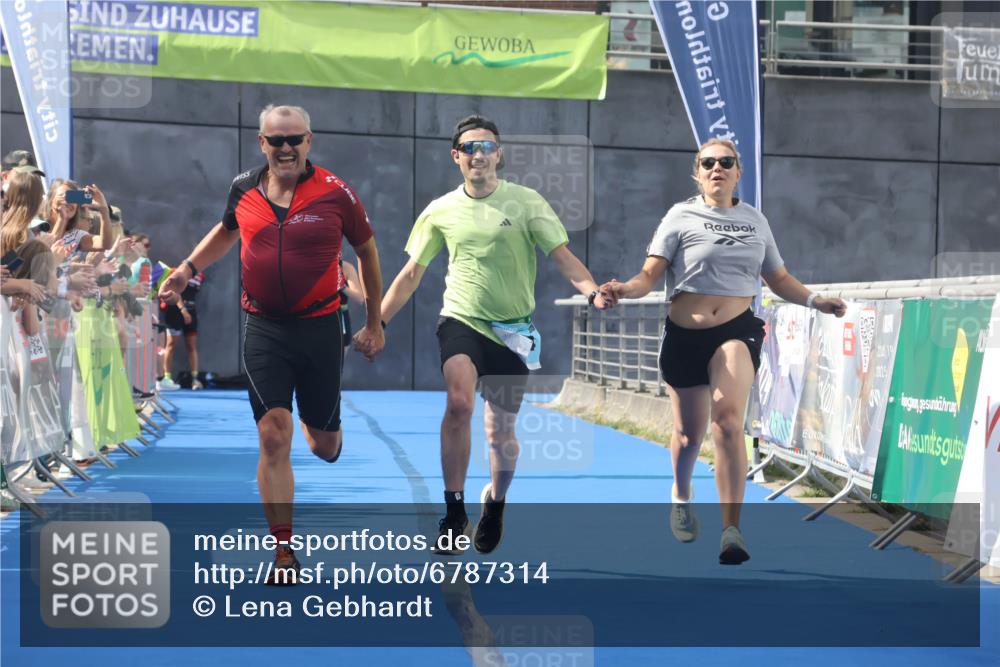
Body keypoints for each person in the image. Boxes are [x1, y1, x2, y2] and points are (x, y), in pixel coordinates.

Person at [158, 104, 385, 583]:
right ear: (262, 143)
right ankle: (284, 553)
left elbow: (366, 250)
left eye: (294, 139)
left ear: (309, 141)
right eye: (276, 140)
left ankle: (323, 423)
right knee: (271, 434)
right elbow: (224, 233)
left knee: (322, 445)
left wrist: (375, 322)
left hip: (321, 327)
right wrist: (185, 271)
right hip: (263, 328)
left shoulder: (336, 192)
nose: (286, 148)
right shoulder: (244, 188)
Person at [600, 138, 847, 565]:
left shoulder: (756, 221)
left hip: (737, 328)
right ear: (697, 172)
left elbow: (779, 279)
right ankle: (681, 491)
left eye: (726, 162)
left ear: (738, 172)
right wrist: (623, 289)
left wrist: (815, 301)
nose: (717, 168)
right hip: (684, 334)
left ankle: (732, 530)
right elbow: (648, 275)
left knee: (729, 420)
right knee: (687, 434)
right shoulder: (680, 216)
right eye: (708, 163)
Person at [380, 114, 612, 555]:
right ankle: (453, 512)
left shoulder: (525, 203)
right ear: (457, 157)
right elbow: (411, 274)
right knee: (459, 402)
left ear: (499, 154)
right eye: (470, 147)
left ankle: (496, 505)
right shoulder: (441, 210)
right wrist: (379, 323)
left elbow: (562, 256)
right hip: (462, 320)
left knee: (500, 436)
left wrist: (592, 291)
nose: (479, 154)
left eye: (487, 146)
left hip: (514, 331)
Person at [43, 179, 114, 255]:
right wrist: (61, 219)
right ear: (50, 202)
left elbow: (105, 244)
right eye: (62, 196)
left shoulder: (75, 236)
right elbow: (45, 253)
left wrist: (104, 210)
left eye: (72, 198)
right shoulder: (37, 228)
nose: (68, 202)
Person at [161, 269, 205, 389]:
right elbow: (174, 292)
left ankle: (195, 379)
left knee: (191, 346)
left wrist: (187, 312)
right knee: (170, 345)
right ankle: (167, 378)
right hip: (174, 312)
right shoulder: (177, 272)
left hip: (191, 313)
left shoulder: (201, 275)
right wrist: (183, 310)